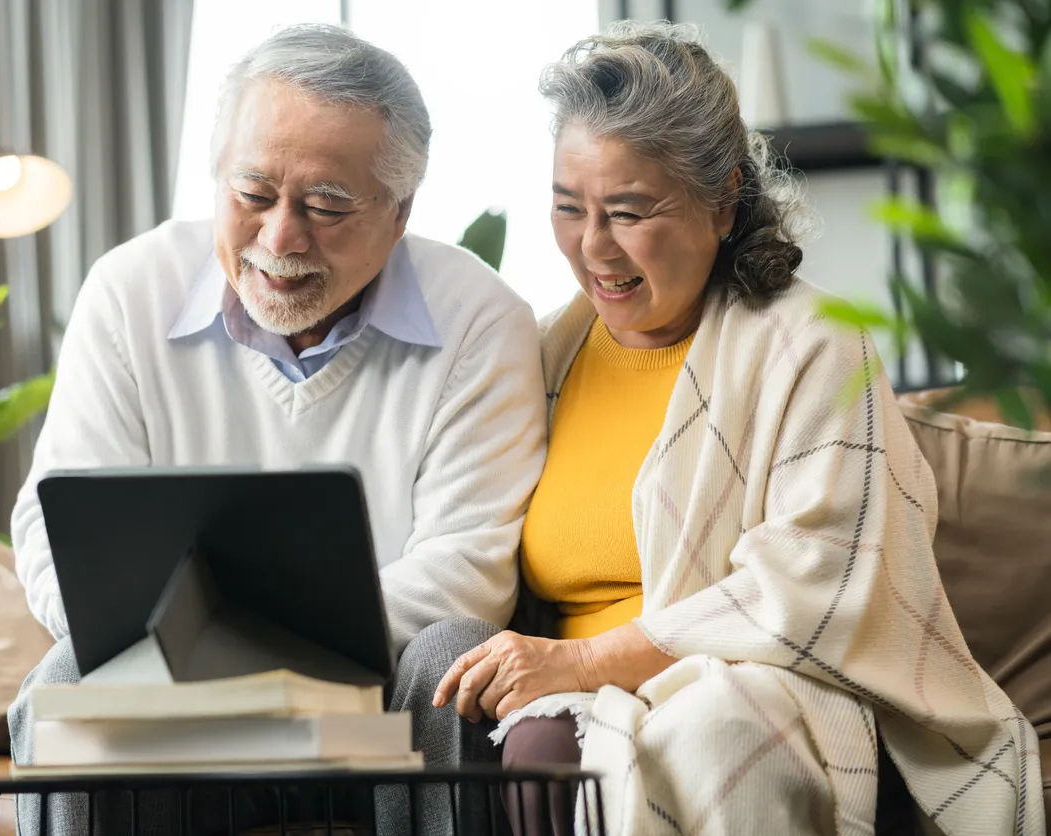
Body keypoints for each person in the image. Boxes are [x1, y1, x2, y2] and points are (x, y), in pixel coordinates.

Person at [434, 21, 1044, 836]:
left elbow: (812, 582)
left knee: (709, 728)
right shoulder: (543, 353)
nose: (591, 247)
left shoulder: (810, 341)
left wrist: (582, 663)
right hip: (565, 698)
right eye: (566, 207)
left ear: (721, 201)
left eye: (626, 211)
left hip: (766, 684)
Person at [8, 23, 547, 835]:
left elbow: (466, 569)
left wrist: (233, 641)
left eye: (326, 205)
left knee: (455, 653)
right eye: (253, 194)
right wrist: (203, 664)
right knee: (68, 675)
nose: (280, 237)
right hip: (178, 719)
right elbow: (56, 528)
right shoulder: (127, 291)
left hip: (382, 710)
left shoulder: (480, 319)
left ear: (399, 213)